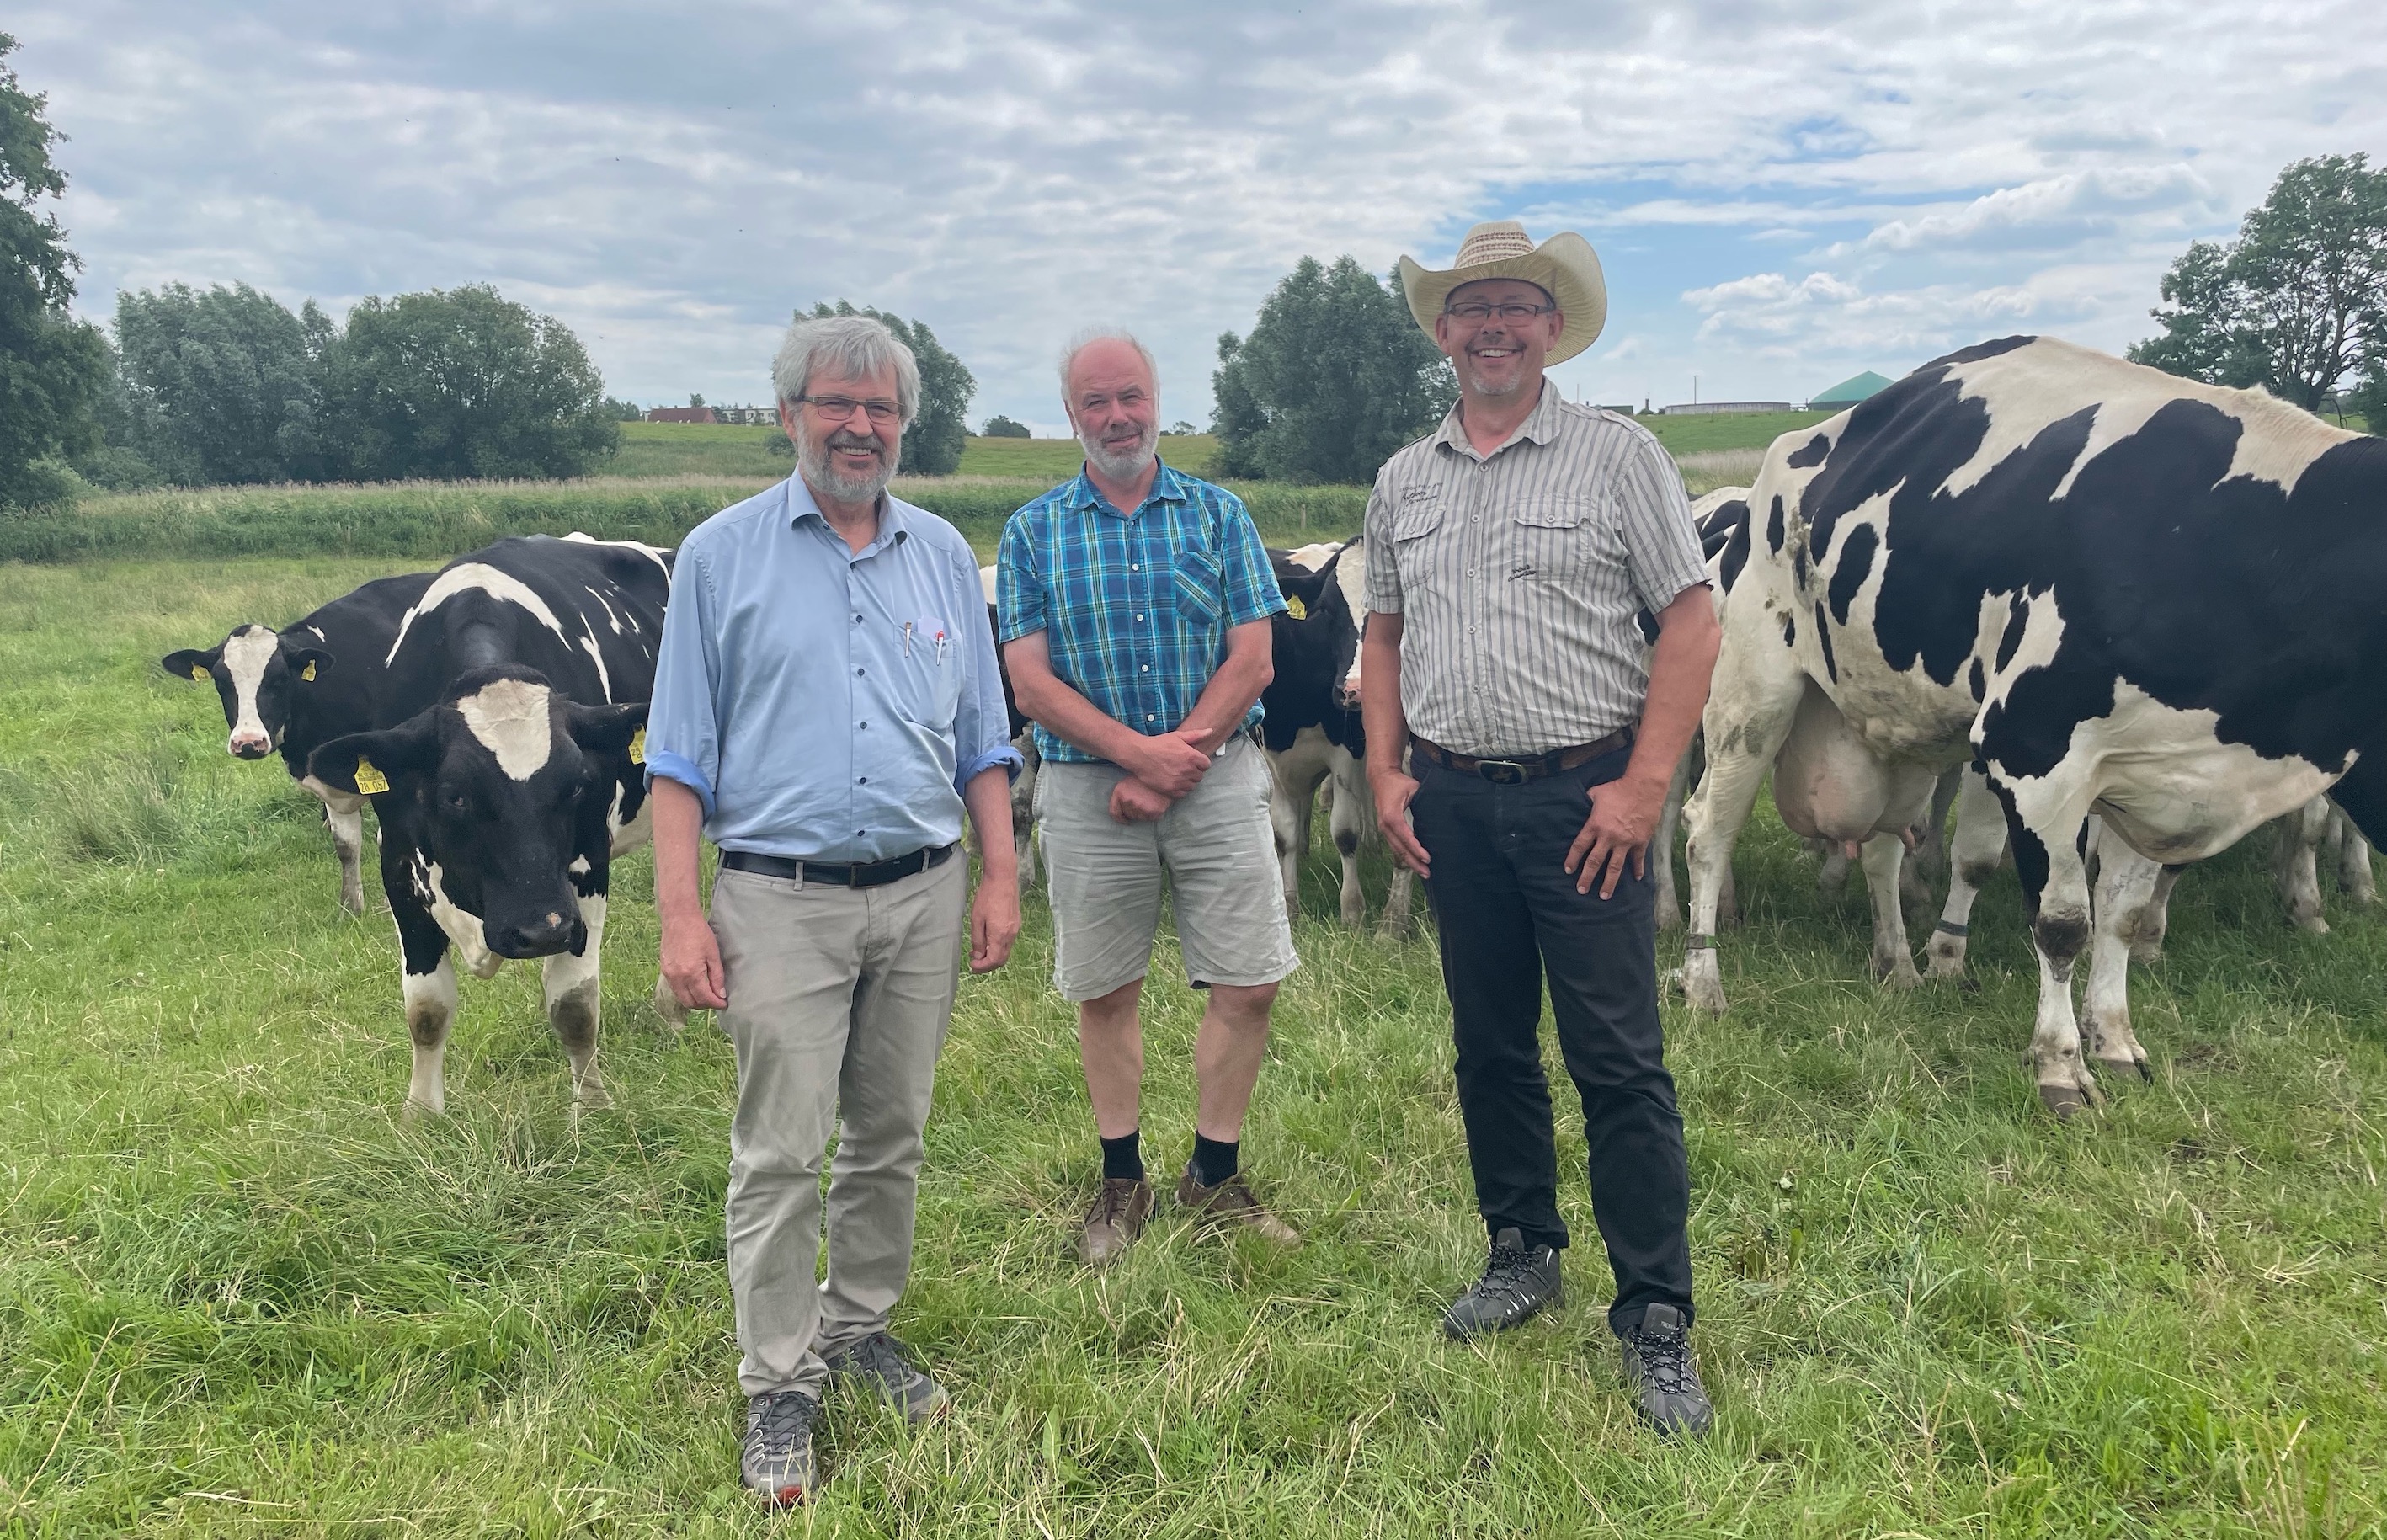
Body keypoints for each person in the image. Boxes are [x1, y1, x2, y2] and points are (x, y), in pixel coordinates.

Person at [646, 314, 1024, 1506]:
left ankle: (858, 1326)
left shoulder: (939, 556)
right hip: (779, 898)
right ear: (789, 412)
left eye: (881, 410)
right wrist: (676, 914)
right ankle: (777, 1383)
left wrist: (1001, 871)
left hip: (922, 888)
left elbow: (980, 739)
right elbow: (679, 759)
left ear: (902, 426)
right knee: (778, 1150)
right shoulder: (718, 555)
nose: (859, 427)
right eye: (835, 403)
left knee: (889, 1133)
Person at [1359, 221, 1723, 1434]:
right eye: (1469, 309)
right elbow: (1383, 632)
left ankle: (1654, 1315)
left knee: (1616, 1060)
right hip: (1454, 801)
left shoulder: (1616, 458)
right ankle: (1520, 1249)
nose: (1491, 327)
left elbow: (1687, 617)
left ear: (1551, 325)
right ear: (1443, 333)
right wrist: (1384, 769)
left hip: (1584, 800)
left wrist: (1642, 786)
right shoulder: (1403, 478)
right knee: (1488, 1048)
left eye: (1514, 305)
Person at [996, 328, 1301, 1267]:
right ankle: (1120, 1177)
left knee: (1248, 980)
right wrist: (1135, 755)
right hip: (1090, 790)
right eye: (1097, 402)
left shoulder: (1217, 514)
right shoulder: (1032, 531)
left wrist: (1181, 757)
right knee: (1106, 987)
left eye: (1130, 396)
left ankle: (1213, 1173)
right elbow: (1029, 681)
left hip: (1215, 777)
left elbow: (1256, 655)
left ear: (1157, 397)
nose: (1117, 416)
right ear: (1072, 415)